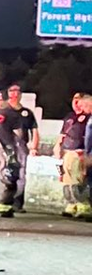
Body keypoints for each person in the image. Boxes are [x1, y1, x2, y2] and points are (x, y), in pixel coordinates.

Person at [0, 83, 37, 219]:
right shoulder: (12, 114)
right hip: (6, 149)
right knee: (8, 177)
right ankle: (4, 207)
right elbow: (18, 134)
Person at [57, 91, 90, 220]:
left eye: (79, 100)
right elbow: (63, 134)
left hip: (79, 153)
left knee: (78, 179)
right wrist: (58, 146)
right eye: (74, 100)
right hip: (67, 152)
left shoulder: (88, 117)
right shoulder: (70, 117)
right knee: (66, 179)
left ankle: (84, 206)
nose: (76, 103)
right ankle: (72, 204)